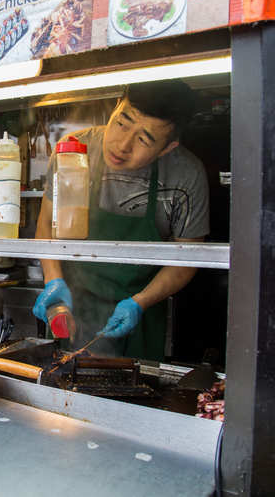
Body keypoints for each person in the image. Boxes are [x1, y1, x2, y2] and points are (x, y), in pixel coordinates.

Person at [33, 80, 209, 361]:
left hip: (142, 309)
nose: (122, 144)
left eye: (144, 139)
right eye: (122, 123)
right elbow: (47, 227)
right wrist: (54, 282)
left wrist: (140, 303)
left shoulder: (187, 176)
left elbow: (187, 258)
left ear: (168, 147)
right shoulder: (74, 150)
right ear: (116, 107)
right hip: (74, 306)